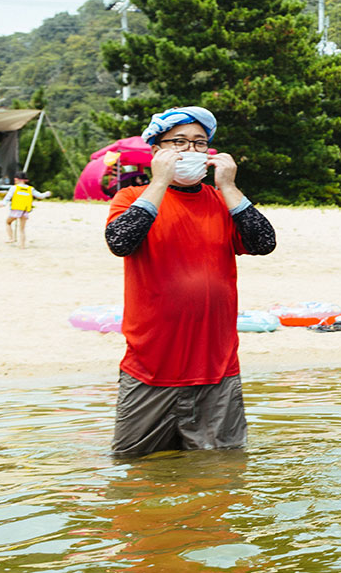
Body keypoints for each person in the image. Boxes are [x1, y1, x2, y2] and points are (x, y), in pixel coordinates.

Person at [104, 106, 276, 458]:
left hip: (217, 369)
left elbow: (264, 242)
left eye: (199, 143)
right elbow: (120, 241)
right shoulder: (132, 198)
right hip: (150, 367)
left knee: (222, 468)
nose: (191, 150)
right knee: (134, 467)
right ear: (157, 151)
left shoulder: (222, 201)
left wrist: (228, 186)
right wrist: (159, 182)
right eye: (179, 142)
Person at [1, 170, 51, 248]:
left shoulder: (14, 188)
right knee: (22, 229)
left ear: (17, 179)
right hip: (25, 210)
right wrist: (47, 194)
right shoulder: (30, 189)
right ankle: (22, 245)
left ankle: (11, 238)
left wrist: (3, 203)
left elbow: (8, 197)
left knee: (8, 222)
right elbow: (40, 196)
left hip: (16, 209)